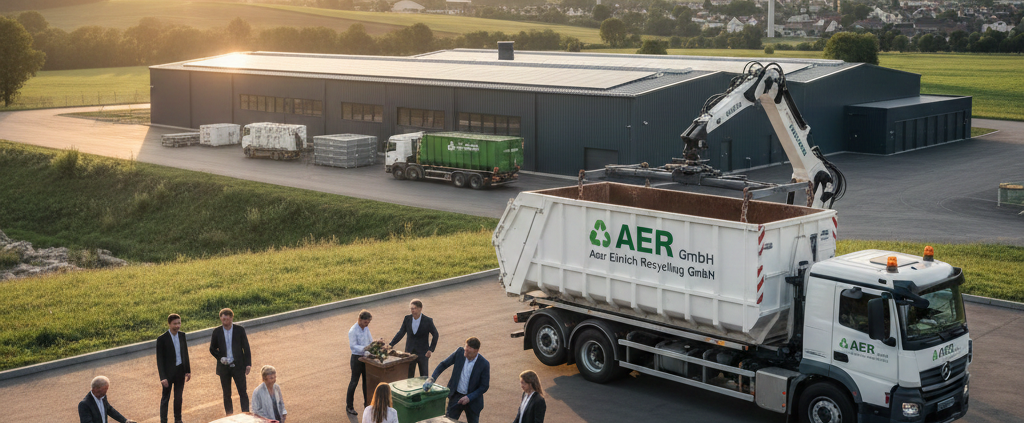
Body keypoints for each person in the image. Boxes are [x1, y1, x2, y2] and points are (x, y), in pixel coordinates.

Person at [428, 337, 490, 423]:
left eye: (469, 352)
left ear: (476, 351)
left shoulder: (484, 364)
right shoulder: (459, 352)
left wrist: (469, 397)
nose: (465, 354)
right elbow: (443, 364)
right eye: (465, 350)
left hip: (473, 401)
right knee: (449, 421)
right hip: (455, 397)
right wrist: (432, 378)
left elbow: (484, 386)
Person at [210, 308, 252, 415]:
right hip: (224, 368)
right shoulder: (217, 331)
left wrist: (248, 364)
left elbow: (246, 347)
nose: (225, 322)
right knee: (226, 394)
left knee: (242, 392)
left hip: (238, 366)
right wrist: (220, 358)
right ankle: (229, 416)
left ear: (231, 318)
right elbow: (212, 348)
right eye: (223, 320)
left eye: (227, 319)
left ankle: (246, 414)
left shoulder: (239, 330)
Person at [388, 299, 439, 378]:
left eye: (414, 308)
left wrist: (430, 349)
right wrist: (391, 344)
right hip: (409, 353)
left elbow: (436, 334)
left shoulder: (428, 321)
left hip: (423, 353)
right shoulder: (407, 319)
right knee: (409, 376)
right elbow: (401, 333)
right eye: (411, 309)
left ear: (420, 308)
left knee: (424, 376)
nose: (412, 311)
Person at [156, 313, 191, 423]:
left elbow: (185, 353)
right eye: (175, 324)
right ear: (169, 324)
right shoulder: (162, 339)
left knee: (178, 397)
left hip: (180, 371)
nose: (177, 326)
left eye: (179, 323)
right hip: (168, 374)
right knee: (165, 398)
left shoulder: (182, 335)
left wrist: (188, 370)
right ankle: (164, 421)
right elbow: (160, 360)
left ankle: (178, 419)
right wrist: (163, 377)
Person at [347, 309, 374, 415]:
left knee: (366, 383)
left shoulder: (366, 329)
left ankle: (367, 406)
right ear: (359, 319)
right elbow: (353, 346)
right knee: (354, 382)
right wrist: (366, 348)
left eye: (368, 322)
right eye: (365, 322)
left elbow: (370, 341)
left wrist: (374, 346)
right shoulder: (353, 331)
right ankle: (349, 406)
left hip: (366, 359)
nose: (367, 324)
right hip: (356, 359)